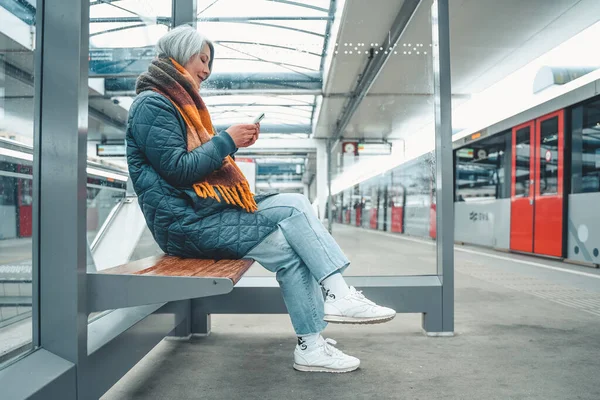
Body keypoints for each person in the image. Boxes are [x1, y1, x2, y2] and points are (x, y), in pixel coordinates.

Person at [126, 25, 396, 374]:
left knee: (291, 253)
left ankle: (311, 347)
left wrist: (229, 145)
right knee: (294, 204)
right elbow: (178, 170)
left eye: (210, 63)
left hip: (201, 214)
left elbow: (196, 170)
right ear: (181, 52)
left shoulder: (178, 104)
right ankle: (339, 296)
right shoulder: (153, 104)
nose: (207, 71)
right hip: (185, 225)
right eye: (203, 60)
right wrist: (226, 141)